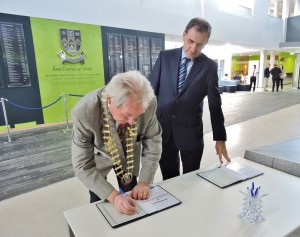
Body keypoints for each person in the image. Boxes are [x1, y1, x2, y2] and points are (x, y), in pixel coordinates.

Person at [149, 17, 230, 181]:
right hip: (164, 133)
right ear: (184, 35)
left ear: (205, 43)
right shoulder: (165, 57)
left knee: (191, 182)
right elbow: (150, 94)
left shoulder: (209, 67)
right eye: (190, 41)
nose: (193, 48)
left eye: (200, 44)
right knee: (170, 181)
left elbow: (215, 105)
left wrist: (220, 138)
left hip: (191, 136)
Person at [71, 70, 162, 215]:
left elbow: (153, 139)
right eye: (127, 115)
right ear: (109, 101)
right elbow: (82, 165)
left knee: (131, 193)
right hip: (98, 159)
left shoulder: (149, 103)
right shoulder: (83, 113)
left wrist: (144, 181)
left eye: (137, 115)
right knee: (99, 198)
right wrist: (113, 197)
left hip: (129, 155)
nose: (133, 121)